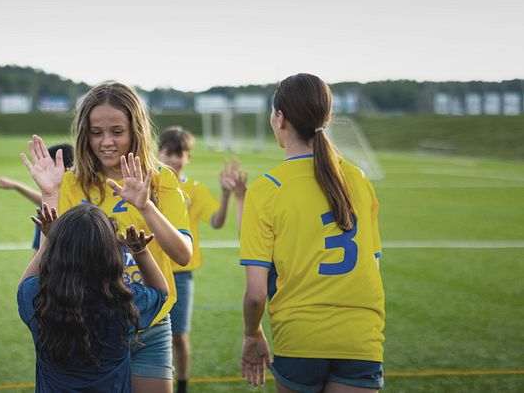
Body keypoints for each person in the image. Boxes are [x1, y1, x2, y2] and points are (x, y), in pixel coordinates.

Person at [21, 80, 193, 393]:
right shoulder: (71, 184)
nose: (106, 142)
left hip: (150, 325)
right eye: (96, 132)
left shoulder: (160, 179)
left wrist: (147, 207)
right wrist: (50, 195)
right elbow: (52, 259)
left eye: (117, 131)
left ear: (135, 130)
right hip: (91, 327)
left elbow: (183, 255)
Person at [239, 73, 385, 393]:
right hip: (362, 336)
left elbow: (255, 293)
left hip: (301, 336)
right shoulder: (357, 179)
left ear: (280, 118)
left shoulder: (268, 188)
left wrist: (252, 334)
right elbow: (371, 267)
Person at [18, 203, 169, 392]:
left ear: (58, 252)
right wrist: (140, 251)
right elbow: (161, 291)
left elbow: (23, 286)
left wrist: (49, 240)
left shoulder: (36, 297)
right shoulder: (124, 302)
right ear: (111, 254)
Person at [157, 126, 248, 393]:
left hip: (182, 275)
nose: (174, 159)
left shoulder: (194, 189)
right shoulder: (149, 183)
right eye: (169, 152)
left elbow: (217, 221)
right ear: (157, 153)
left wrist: (226, 194)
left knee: (179, 335)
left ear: (189, 158)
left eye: (180, 154)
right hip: (149, 269)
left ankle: (181, 386)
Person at [0, 143, 74, 250]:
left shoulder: (50, 217)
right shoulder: (65, 198)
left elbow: (39, 255)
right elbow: (47, 201)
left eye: (48, 165)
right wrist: (16, 186)